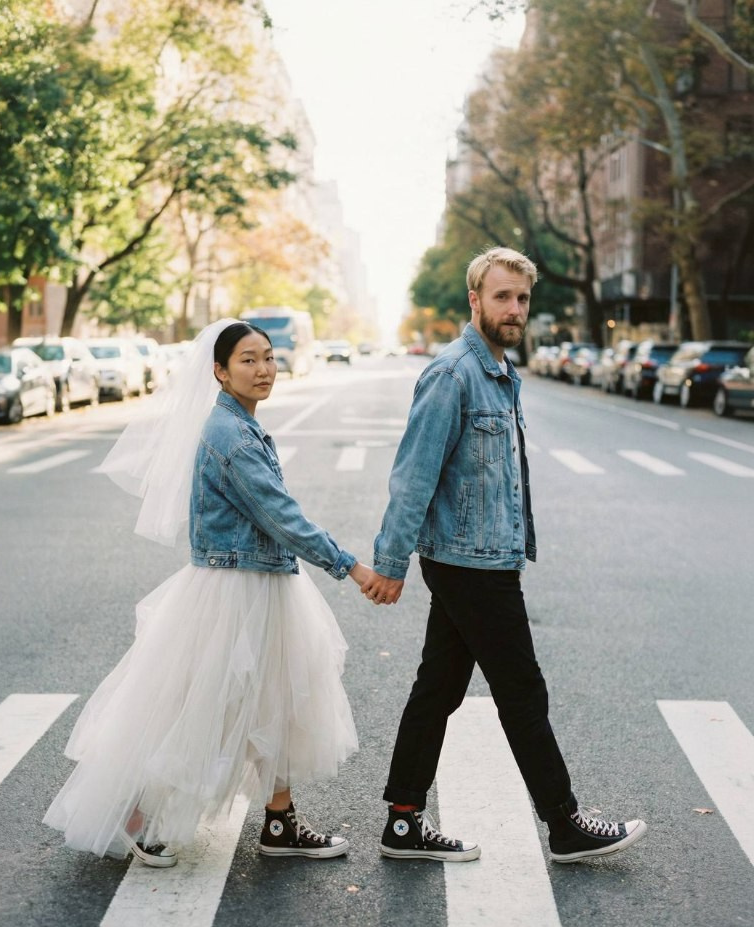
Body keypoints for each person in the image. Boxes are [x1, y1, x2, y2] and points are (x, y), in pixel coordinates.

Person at [44, 319, 374, 868]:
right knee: (205, 708)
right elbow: (279, 515)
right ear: (219, 372)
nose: (264, 368)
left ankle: (279, 820)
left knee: (274, 703)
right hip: (233, 590)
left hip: (258, 582)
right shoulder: (229, 435)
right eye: (248, 360)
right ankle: (137, 814)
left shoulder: (238, 424)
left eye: (268, 357)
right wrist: (350, 567)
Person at [362, 246, 647, 865]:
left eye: (521, 298)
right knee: (522, 692)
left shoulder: (498, 370)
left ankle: (403, 822)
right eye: (502, 297)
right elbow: (413, 476)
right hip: (470, 563)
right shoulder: (453, 374)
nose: (514, 309)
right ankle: (566, 825)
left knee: (437, 689)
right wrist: (389, 561)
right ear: (475, 299)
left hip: (483, 556)